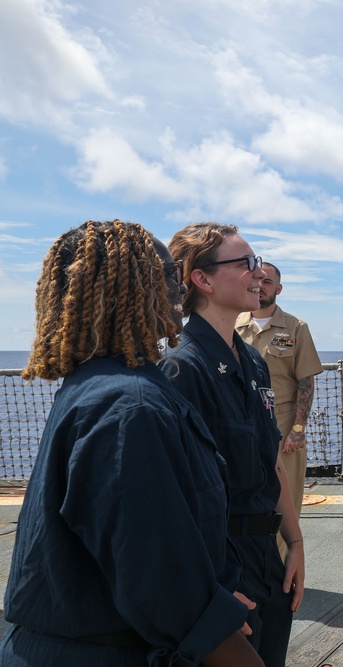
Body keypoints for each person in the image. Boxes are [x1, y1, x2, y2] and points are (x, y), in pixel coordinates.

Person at [2, 220, 263, 666]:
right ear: (125, 288)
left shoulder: (96, 385)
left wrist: (213, 591)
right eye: (163, 275)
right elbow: (160, 576)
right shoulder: (131, 406)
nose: (178, 287)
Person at [165, 224, 305, 667]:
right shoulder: (181, 370)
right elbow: (175, 499)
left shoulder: (253, 363)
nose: (258, 273)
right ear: (202, 280)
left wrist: (295, 541)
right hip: (223, 567)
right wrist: (211, 588)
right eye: (245, 264)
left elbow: (270, 461)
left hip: (268, 560)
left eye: (258, 263)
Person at [236, 261, 324, 534]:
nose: (260, 287)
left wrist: (298, 429)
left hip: (282, 424)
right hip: (241, 422)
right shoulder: (234, 325)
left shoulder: (295, 328)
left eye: (268, 282)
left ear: (279, 289)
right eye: (257, 281)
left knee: (285, 502)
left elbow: (305, 381)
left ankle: (285, 567)